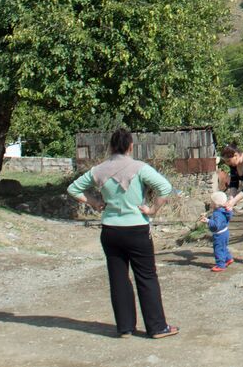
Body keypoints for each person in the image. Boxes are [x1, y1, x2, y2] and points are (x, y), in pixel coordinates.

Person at [67, 127, 179, 339]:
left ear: (110, 147)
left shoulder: (98, 170)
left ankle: (125, 327)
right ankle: (156, 327)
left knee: (118, 278)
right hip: (136, 229)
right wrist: (153, 210)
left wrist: (94, 202)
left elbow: (73, 189)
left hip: (110, 230)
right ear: (130, 146)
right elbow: (165, 187)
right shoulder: (139, 167)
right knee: (146, 277)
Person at [201, 190, 233, 272]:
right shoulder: (223, 211)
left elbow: (216, 226)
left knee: (218, 249)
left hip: (219, 235)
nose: (210, 203)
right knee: (224, 247)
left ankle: (220, 265)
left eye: (211, 202)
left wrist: (208, 221)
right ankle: (228, 258)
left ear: (215, 204)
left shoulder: (217, 214)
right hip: (225, 232)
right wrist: (209, 217)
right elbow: (222, 219)